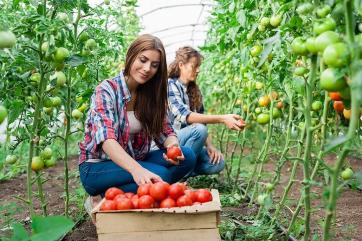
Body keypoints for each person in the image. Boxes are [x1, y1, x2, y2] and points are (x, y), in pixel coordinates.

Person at [78, 35, 196, 197]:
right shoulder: (107, 90)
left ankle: (119, 192)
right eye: (143, 60)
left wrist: (172, 147)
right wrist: (137, 170)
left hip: (134, 158)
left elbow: (166, 132)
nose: (147, 68)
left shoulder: (150, 94)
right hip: (98, 166)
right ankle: (108, 193)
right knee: (163, 176)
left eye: (154, 65)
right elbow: (107, 140)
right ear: (131, 56)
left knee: (187, 156)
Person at [167, 46, 245, 177]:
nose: (198, 70)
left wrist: (210, 146)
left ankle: (179, 170)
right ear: (181, 65)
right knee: (199, 129)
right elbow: (185, 116)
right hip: (171, 141)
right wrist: (223, 118)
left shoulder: (194, 91)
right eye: (194, 66)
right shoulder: (170, 85)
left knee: (217, 163)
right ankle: (178, 177)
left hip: (187, 144)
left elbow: (201, 120)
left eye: (199, 66)